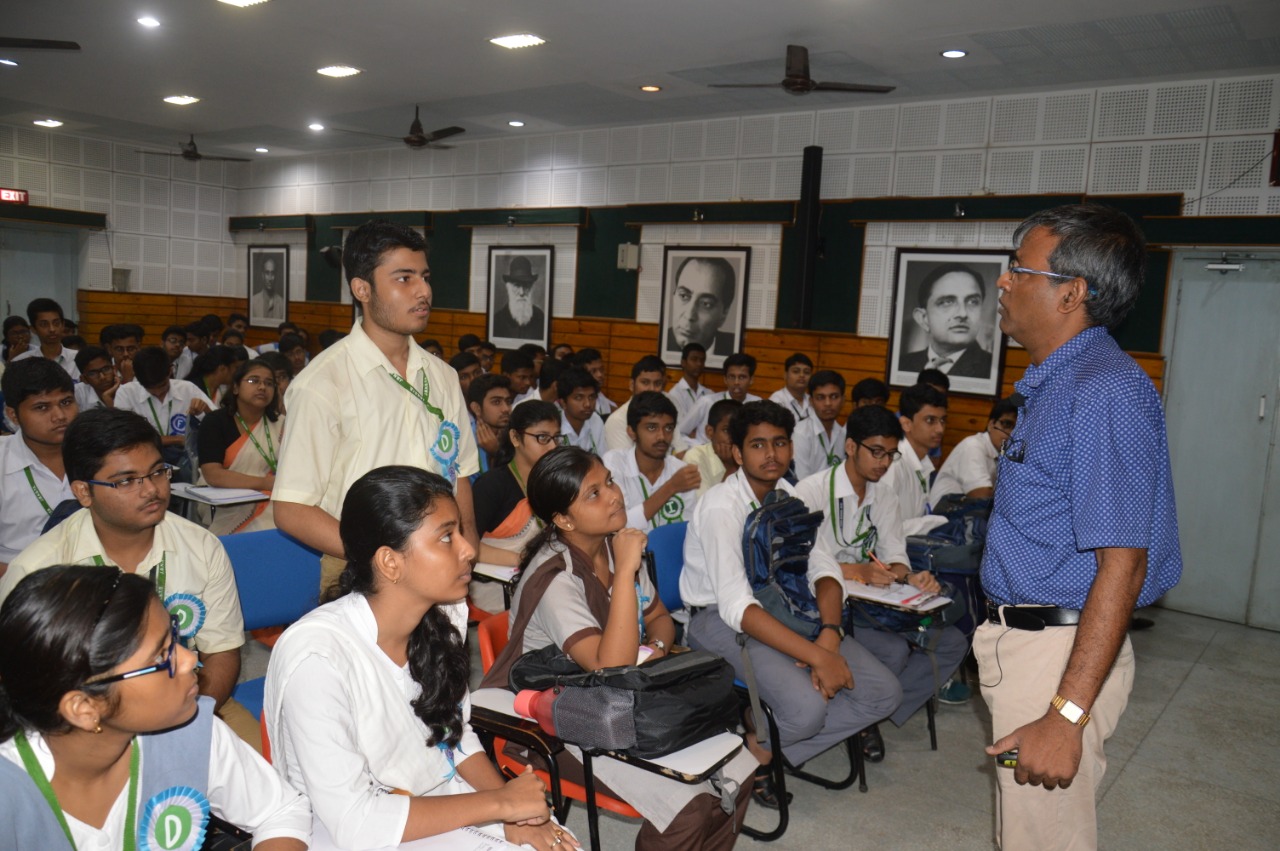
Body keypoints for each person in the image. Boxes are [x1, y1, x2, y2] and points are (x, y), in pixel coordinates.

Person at [978, 204, 1181, 851]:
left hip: (1054, 655)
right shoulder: (1058, 384)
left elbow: (1123, 563)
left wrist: (1064, 716)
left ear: (1071, 292)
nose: (1004, 282)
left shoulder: (1102, 392)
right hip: (1038, 645)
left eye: (1019, 270)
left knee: (1044, 840)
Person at [266, 466, 563, 850]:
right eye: (446, 537)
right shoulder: (318, 659)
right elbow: (357, 823)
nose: (468, 548)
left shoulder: (447, 612)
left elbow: (454, 737)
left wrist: (517, 813)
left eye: (459, 531)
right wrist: (501, 804)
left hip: (445, 802)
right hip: (360, 832)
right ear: (390, 562)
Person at [481, 446, 753, 849]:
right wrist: (626, 570)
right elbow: (609, 665)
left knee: (739, 769)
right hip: (555, 721)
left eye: (608, 481)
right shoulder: (559, 577)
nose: (614, 495)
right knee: (689, 808)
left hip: (624, 696)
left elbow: (660, 618)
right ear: (563, 519)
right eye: (594, 494)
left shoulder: (612, 545)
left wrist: (656, 647)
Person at [680, 401, 901, 807]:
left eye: (780, 443)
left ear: (791, 448)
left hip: (787, 607)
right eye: (758, 445)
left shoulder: (789, 496)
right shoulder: (720, 508)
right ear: (737, 453)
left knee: (884, 694)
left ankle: (760, 749)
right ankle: (764, 748)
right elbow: (736, 607)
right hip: (719, 621)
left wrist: (829, 641)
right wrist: (816, 657)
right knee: (807, 710)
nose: (771, 454)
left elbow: (824, 569)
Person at [0, 566, 310, 850]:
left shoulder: (190, 730)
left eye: (174, 638)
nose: (190, 659)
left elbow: (280, 812)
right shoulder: (10, 792)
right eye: (161, 657)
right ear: (83, 707)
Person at [0, 408, 258, 747]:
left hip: (192, 697)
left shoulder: (202, 546)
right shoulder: (39, 571)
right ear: (83, 492)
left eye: (157, 472)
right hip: (86, 724)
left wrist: (188, 712)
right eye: (125, 481)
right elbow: (27, 688)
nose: (151, 490)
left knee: (270, 775)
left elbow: (222, 653)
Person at [272, 219, 480, 598]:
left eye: (425, 276)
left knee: (438, 661)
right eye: (404, 279)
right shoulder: (322, 383)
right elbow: (291, 509)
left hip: (441, 560)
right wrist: (382, 558)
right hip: (360, 569)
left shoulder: (443, 376)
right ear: (362, 289)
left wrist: (467, 549)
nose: (423, 292)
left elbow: (460, 474)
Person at [795, 404, 968, 761]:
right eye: (876, 452)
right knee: (893, 650)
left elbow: (894, 556)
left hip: (875, 604)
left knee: (952, 641)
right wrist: (854, 570)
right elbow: (797, 565)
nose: (884, 463)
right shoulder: (809, 493)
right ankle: (865, 715)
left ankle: (873, 712)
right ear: (851, 447)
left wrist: (910, 576)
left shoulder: (883, 496)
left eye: (891, 454)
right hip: (827, 607)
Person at [0, 359, 76, 571]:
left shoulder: (99, 452)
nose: (60, 416)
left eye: (66, 402)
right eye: (42, 407)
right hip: (15, 582)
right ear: (13, 415)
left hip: (93, 577)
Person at [473, 399, 563, 571]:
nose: (552, 446)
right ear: (515, 437)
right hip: (492, 583)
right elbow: (467, 543)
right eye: (542, 437)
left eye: (556, 437)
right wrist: (522, 559)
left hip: (538, 574)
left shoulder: (553, 483)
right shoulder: (491, 485)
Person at [197, 358, 284, 535]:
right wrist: (265, 483)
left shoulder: (281, 424)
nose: (262, 387)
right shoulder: (215, 421)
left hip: (273, 499)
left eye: (269, 383)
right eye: (254, 381)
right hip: (224, 502)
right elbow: (213, 475)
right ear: (235, 387)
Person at [602, 391, 700, 530]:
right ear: (632, 432)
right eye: (651, 427)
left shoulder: (680, 471)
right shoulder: (614, 463)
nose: (662, 436)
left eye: (668, 428)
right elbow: (619, 525)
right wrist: (671, 487)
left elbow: (689, 529)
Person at [114, 346, 214, 471]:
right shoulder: (127, 393)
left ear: (170, 371)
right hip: (142, 462)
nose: (158, 392)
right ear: (138, 378)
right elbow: (125, 437)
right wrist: (177, 439)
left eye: (162, 385)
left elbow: (217, 424)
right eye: (149, 388)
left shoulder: (187, 388)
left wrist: (205, 409)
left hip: (185, 461)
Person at [899, 264, 993, 379]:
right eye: (947, 302)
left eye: (973, 302)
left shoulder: (990, 368)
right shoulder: (903, 364)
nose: (962, 314)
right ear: (923, 318)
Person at [880, 383, 949, 537]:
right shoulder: (893, 464)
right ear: (906, 424)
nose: (940, 429)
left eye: (943, 420)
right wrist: (931, 522)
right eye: (930, 420)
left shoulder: (924, 461)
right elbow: (880, 529)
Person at [929, 397, 1018, 503]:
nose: (1011, 433)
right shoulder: (973, 446)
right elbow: (981, 497)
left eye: (1018, 428)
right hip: (941, 516)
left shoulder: (1005, 455)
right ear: (990, 425)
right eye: (1007, 424)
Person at [681, 352, 761, 445]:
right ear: (725, 379)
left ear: (751, 380)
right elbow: (679, 433)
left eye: (742, 377)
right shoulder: (707, 402)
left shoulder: (757, 405)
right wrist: (699, 448)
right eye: (732, 377)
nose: (736, 382)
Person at [666, 257, 737, 356]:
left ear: (724, 314)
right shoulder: (656, 342)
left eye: (706, 304)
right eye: (683, 296)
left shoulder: (733, 349)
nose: (689, 315)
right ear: (673, 297)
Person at [604, 355, 672, 452]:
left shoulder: (666, 417)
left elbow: (680, 451)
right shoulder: (618, 420)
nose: (651, 389)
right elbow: (624, 464)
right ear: (632, 385)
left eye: (657, 384)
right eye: (645, 382)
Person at [792, 370, 847, 480]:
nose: (828, 403)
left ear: (843, 400)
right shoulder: (801, 433)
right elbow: (801, 482)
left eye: (834, 396)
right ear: (811, 401)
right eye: (821, 397)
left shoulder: (843, 433)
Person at [682, 397, 741, 498]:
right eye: (726, 430)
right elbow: (705, 508)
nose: (733, 437)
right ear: (710, 432)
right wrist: (732, 467)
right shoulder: (695, 458)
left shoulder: (746, 454)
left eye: (738, 430)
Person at [12, 298, 79, 380]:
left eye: (56, 323)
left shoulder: (78, 359)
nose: (52, 329)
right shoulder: (21, 362)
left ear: (63, 325)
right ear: (33, 329)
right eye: (44, 324)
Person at [465, 372, 513, 478]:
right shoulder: (464, 441)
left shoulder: (514, 435)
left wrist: (498, 452)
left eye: (508, 401)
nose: (506, 409)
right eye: (496, 402)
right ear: (477, 408)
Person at [493, 255, 548, 341]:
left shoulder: (540, 317)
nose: (522, 293)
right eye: (516, 286)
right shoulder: (498, 319)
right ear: (509, 288)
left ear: (531, 288)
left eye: (526, 286)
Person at [555, 366, 604, 453]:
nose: (587, 404)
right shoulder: (554, 425)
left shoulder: (595, 420)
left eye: (591, 397)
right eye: (578, 398)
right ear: (563, 403)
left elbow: (603, 458)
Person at [667, 342, 712, 426]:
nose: (699, 364)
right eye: (694, 359)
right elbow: (681, 427)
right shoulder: (675, 394)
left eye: (702, 360)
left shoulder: (709, 393)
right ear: (683, 362)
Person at [767, 353, 813, 423]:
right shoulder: (777, 401)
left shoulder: (812, 400)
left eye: (806, 372)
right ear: (785, 375)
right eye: (796, 371)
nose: (802, 375)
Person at [570, 348, 615, 415]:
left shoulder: (610, 405)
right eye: (593, 371)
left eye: (601, 369)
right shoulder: (570, 404)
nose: (600, 375)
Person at [73, 346, 119, 410]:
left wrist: (108, 399)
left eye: (106, 369)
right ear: (84, 379)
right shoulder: (77, 393)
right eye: (93, 373)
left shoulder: (127, 389)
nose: (102, 377)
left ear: (114, 369)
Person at [253, 255, 287, 321]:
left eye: (273, 273)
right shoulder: (253, 301)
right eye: (267, 273)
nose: (270, 278)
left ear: (276, 275)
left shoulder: (282, 303)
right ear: (262, 275)